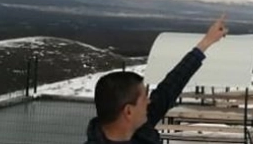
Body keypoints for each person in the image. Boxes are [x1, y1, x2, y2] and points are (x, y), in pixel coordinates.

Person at [84, 15, 228, 144]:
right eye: (144, 98)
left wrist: (206, 42)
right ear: (128, 111)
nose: (149, 101)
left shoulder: (140, 130)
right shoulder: (141, 129)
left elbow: (170, 86)